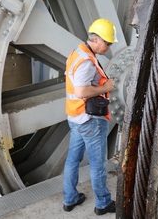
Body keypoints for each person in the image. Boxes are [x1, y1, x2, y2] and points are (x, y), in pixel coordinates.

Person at [63, 18, 117, 215]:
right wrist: (106, 87)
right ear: (97, 40)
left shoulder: (78, 52)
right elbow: (81, 91)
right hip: (89, 120)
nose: (109, 47)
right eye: (108, 43)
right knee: (97, 164)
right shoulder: (86, 61)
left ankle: (70, 199)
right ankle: (103, 203)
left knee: (72, 160)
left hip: (75, 116)